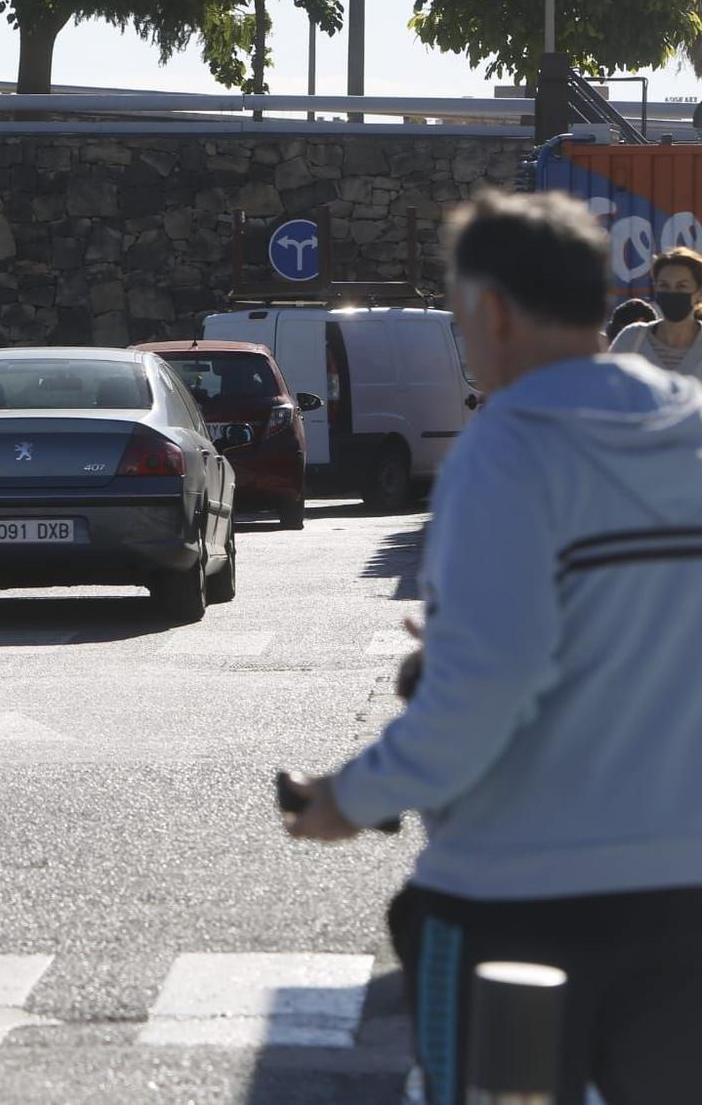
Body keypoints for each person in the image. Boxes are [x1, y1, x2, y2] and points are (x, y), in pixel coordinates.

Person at [280, 190, 702, 1104]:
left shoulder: (505, 447)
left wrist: (349, 797)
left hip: (518, 896)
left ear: (494, 311)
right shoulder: (692, 426)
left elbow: (489, 685)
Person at [608, 246, 702, 377]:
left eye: (682, 286)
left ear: (699, 293)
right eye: (664, 285)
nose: (672, 292)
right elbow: (608, 387)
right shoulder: (632, 339)